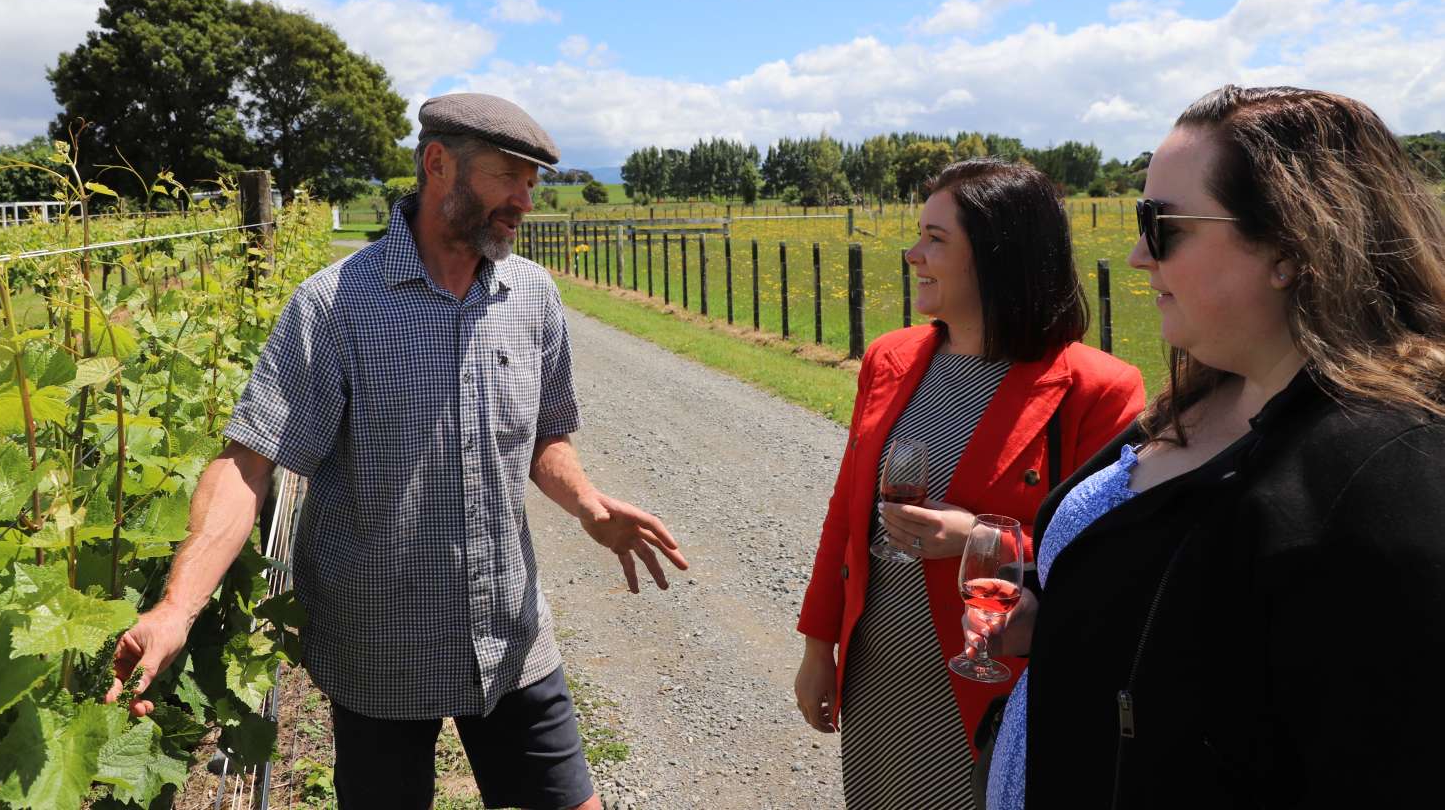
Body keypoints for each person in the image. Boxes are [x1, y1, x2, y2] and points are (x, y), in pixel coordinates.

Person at [104, 92, 688, 810]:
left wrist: (588, 504)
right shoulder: (335, 306)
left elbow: (545, 437)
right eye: (510, 176)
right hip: (379, 650)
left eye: (532, 183)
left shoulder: (532, 296)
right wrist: (176, 609)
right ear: (438, 165)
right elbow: (249, 463)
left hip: (510, 637)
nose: (525, 201)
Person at [977, 85, 1445, 809]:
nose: (1137, 254)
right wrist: (1059, 619)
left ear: (1289, 247)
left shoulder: (1379, 480)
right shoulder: (1210, 390)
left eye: (1160, 225)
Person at [795, 159, 1145, 809]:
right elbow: (846, 513)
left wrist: (981, 538)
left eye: (935, 239)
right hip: (880, 672)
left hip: (997, 691)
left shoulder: (1097, 389)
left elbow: (1109, 567)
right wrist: (820, 645)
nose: (911, 254)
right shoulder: (890, 359)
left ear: (997, 257)